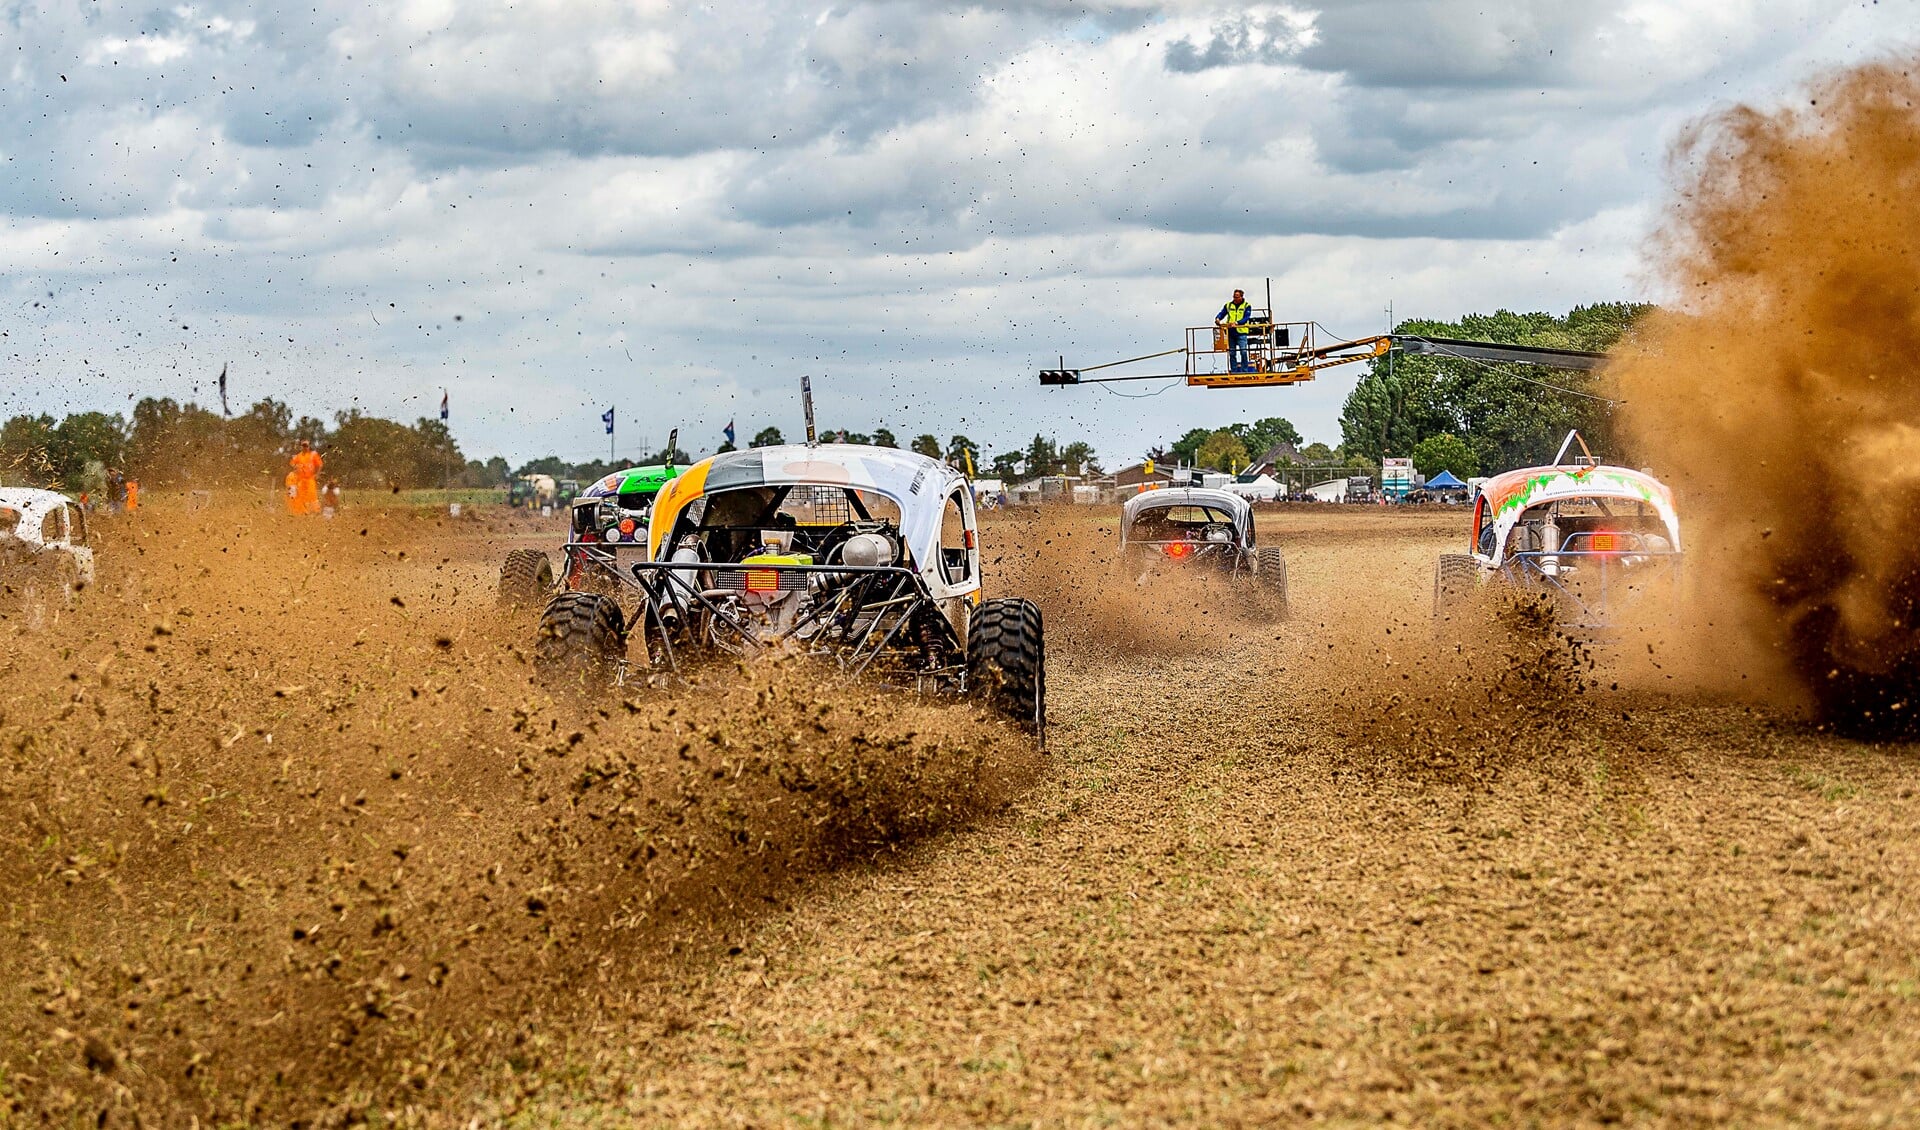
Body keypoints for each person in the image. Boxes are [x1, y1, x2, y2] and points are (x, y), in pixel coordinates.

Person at [1215, 289, 1255, 373]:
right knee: (1232, 353)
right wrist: (1218, 318)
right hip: (1231, 332)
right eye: (1234, 296)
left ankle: (1245, 370)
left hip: (1241, 332)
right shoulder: (1229, 305)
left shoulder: (1246, 305)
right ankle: (1234, 370)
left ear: (1241, 297)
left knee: (1243, 352)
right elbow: (1222, 313)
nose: (1235, 298)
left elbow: (1246, 317)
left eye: (1237, 297)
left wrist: (1237, 323)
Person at [288, 439, 323, 516]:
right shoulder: (298, 456)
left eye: (306, 446)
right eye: (303, 446)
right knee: (301, 496)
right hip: (301, 479)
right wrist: (296, 467)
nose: (305, 447)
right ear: (301, 446)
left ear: (309, 446)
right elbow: (292, 463)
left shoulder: (313, 455)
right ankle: (303, 512)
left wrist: (317, 474)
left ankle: (316, 511)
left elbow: (320, 464)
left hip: (310, 479)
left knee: (312, 495)